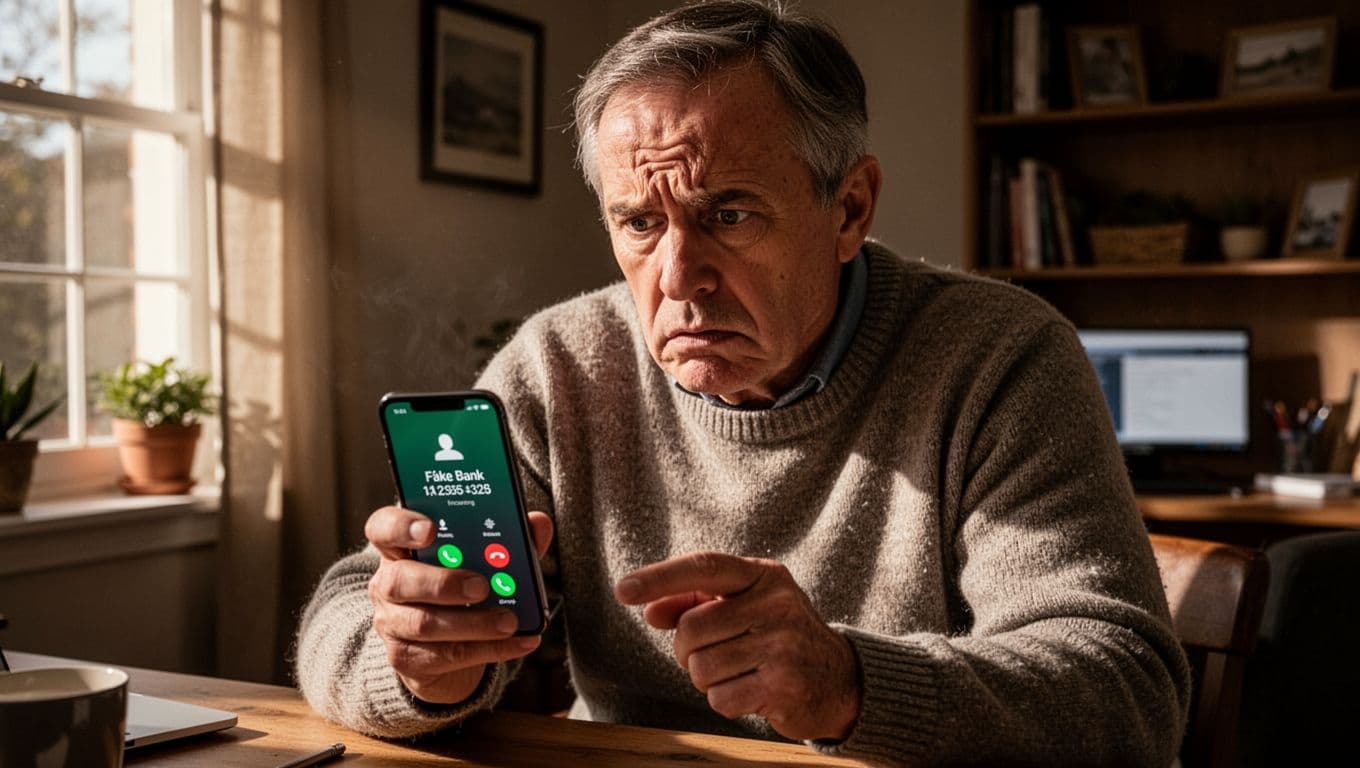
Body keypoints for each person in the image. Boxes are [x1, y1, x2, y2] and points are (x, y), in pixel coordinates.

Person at [296, 1, 1190, 764]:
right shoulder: (561, 364)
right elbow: (347, 606)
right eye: (640, 222)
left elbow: (1127, 690)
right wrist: (410, 657)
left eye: (728, 214)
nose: (678, 276)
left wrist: (851, 685)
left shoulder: (1000, 359)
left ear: (848, 209)